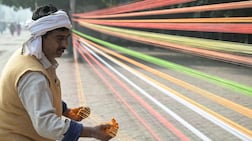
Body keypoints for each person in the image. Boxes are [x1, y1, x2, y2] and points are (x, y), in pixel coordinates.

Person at [0, 4, 117, 141]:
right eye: (59, 38)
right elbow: (46, 124)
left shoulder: (29, 56)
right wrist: (91, 132)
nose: (65, 45)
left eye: (66, 38)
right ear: (41, 36)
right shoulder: (32, 75)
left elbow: (39, 96)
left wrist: (66, 111)